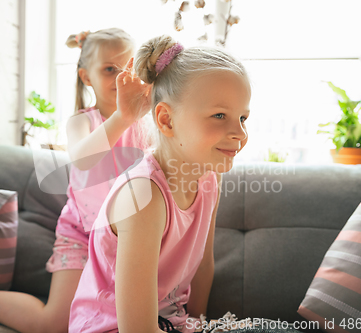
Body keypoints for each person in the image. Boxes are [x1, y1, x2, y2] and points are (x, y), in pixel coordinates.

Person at [0, 28, 152, 333]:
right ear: (87, 77)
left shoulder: (146, 126)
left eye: (128, 69)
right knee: (52, 324)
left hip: (130, 237)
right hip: (81, 237)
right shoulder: (81, 122)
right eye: (110, 69)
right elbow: (84, 157)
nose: (120, 78)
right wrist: (123, 117)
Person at [69, 35, 251, 333]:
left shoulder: (209, 178)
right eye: (220, 115)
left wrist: (201, 324)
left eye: (243, 117)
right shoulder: (144, 196)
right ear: (166, 120)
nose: (240, 133)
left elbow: (204, 265)